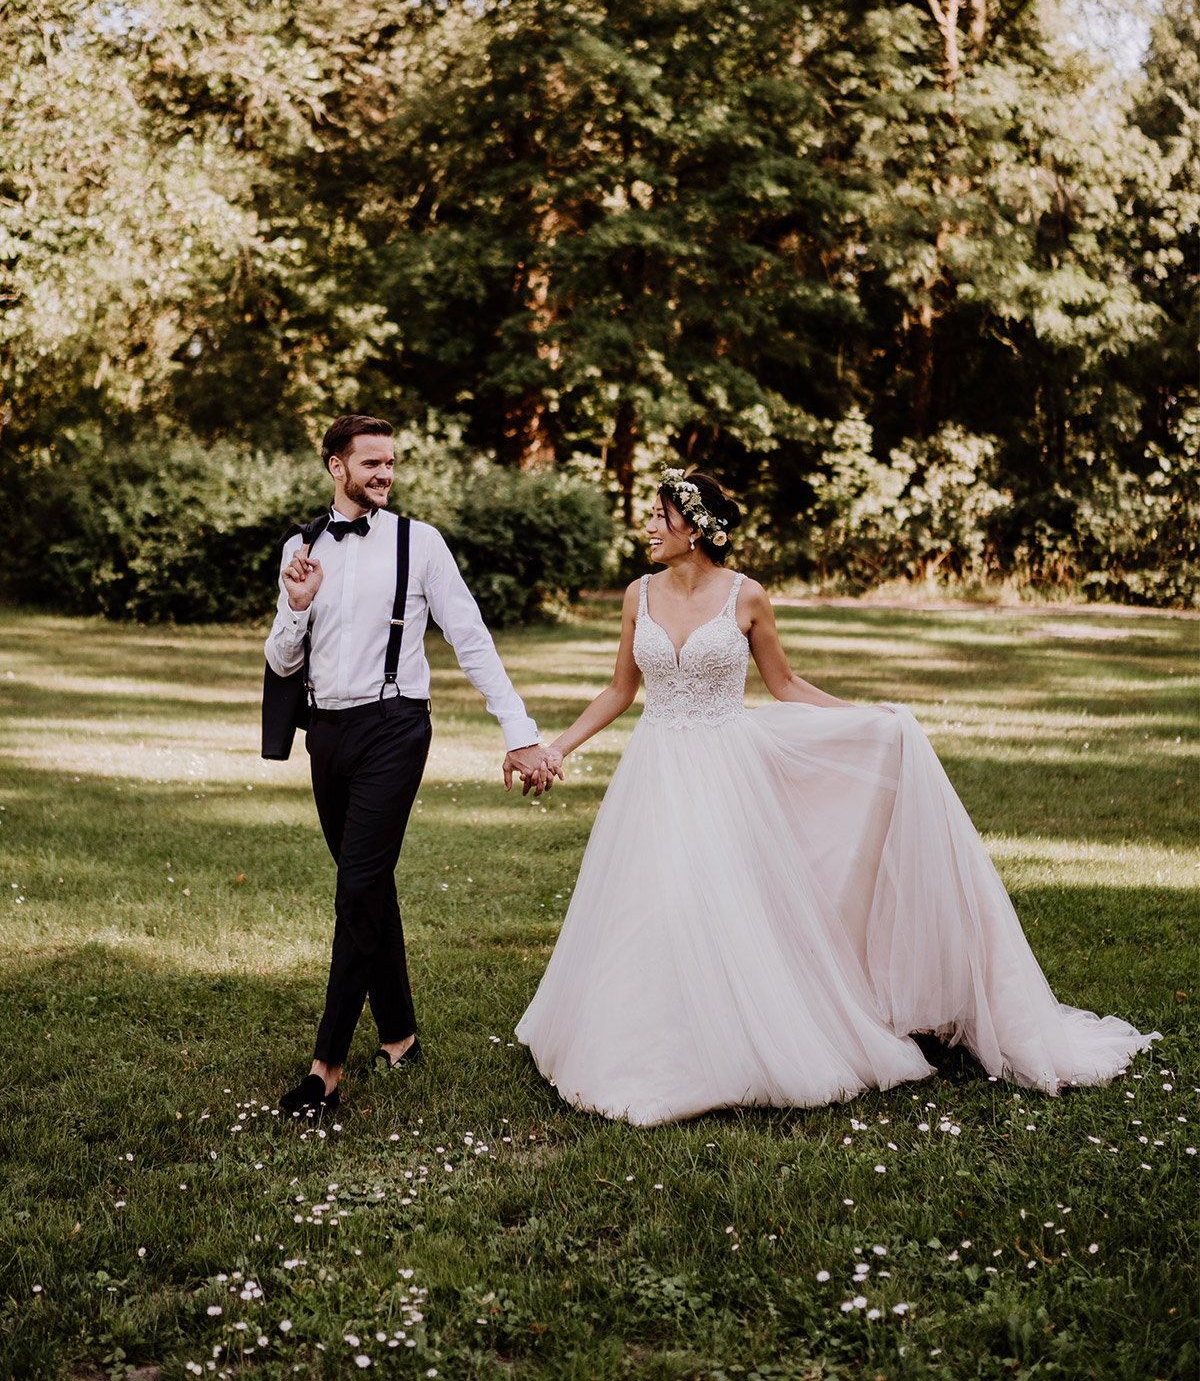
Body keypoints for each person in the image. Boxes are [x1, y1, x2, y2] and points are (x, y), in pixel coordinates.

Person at [516, 468, 1159, 1127]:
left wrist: (867, 721)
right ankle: (642, 1042)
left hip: (727, 772)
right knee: (651, 903)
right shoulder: (638, 595)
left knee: (720, 902)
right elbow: (621, 691)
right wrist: (557, 748)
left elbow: (786, 685)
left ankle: (743, 1039)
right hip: (654, 769)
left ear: (696, 527)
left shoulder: (746, 597)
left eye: (659, 516)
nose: (648, 526)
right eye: (650, 516)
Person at [267, 414, 557, 1117]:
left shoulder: (420, 543)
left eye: (390, 463)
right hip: (326, 734)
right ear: (336, 467)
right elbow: (280, 660)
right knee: (367, 888)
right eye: (370, 463)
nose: (384, 475)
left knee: (354, 888)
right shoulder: (301, 547)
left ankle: (325, 1068)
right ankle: (398, 1035)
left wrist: (518, 731)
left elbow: (472, 640)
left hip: (396, 729)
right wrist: (297, 606)